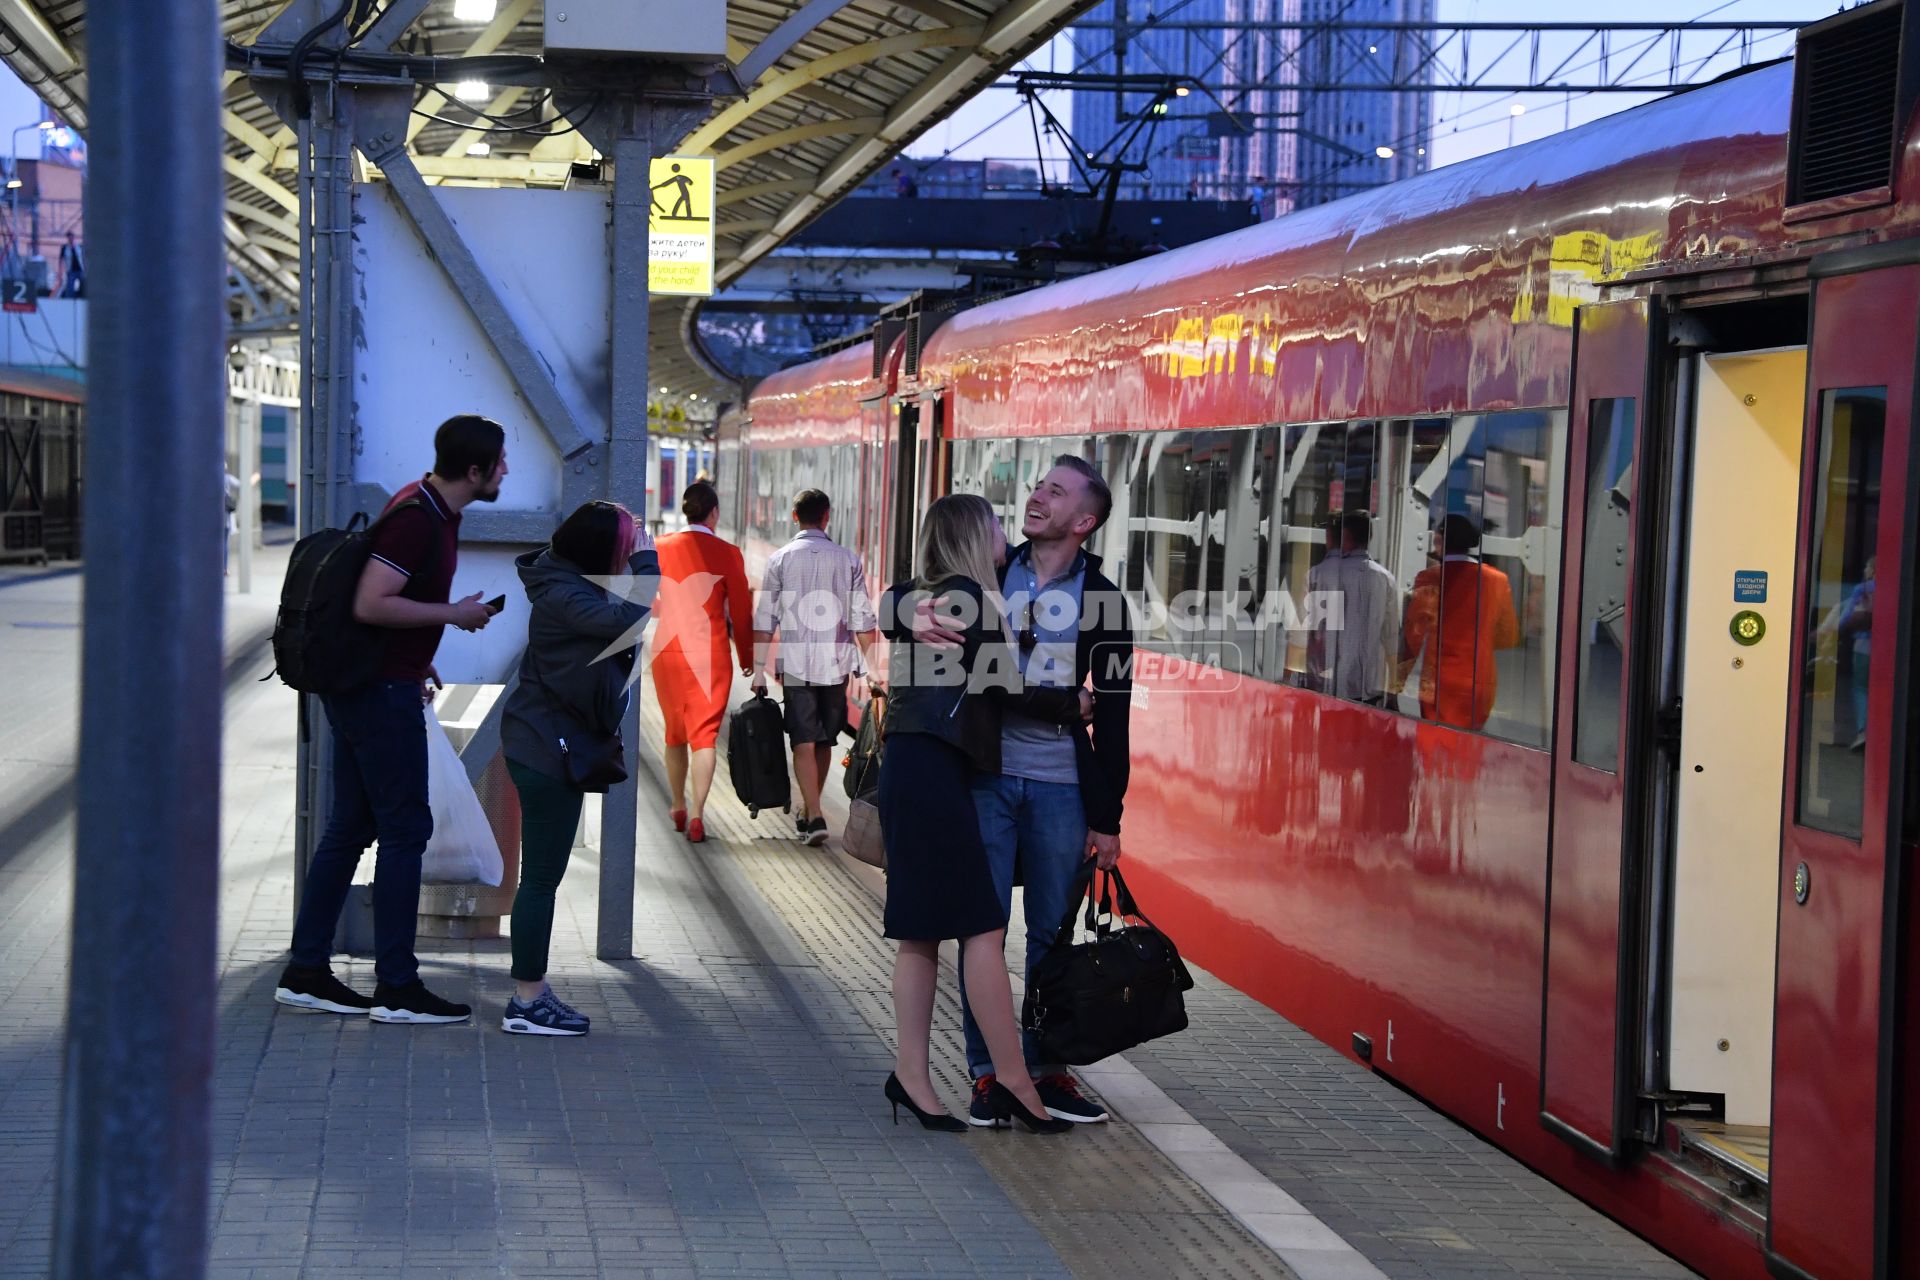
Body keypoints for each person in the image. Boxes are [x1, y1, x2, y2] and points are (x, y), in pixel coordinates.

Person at [912, 456, 1135, 1127]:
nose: (1037, 497)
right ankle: (987, 1074)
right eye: (1039, 486)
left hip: (1064, 788)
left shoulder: (1107, 600)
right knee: (982, 931)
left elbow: (1116, 709)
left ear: (1084, 521)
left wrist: (1109, 815)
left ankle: (1046, 1070)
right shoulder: (986, 573)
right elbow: (908, 594)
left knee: (1051, 938)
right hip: (982, 777)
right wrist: (907, 610)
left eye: (1056, 492)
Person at [275, 414, 508, 1024]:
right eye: (500, 462)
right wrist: (453, 614)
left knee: (350, 827)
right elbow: (370, 601)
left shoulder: (425, 505)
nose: (507, 471)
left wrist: (420, 656)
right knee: (406, 830)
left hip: (378, 681)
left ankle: (306, 972)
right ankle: (398, 987)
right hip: (379, 694)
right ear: (476, 470)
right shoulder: (416, 520)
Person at [878, 493, 1089, 1135]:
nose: (1005, 532)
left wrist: (895, 609)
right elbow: (1007, 686)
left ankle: (914, 1080)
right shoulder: (967, 597)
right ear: (976, 535)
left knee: (921, 934)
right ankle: (1016, 1085)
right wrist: (1074, 705)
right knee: (983, 931)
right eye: (995, 524)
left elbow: (893, 603)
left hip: (914, 771)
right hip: (934, 776)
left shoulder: (931, 593)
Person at [499, 501, 659, 1035]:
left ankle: (532, 992)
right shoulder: (566, 594)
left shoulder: (566, 583)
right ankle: (527, 1000)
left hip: (547, 742)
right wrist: (647, 562)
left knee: (540, 878)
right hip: (546, 749)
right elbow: (628, 620)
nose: (631, 550)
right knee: (540, 880)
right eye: (625, 544)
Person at [750, 488, 881, 845]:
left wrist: (758, 669)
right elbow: (863, 622)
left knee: (802, 741)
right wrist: (873, 672)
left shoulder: (779, 559)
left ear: (795, 517)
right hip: (836, 665)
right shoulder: (848, 560)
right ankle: (813, 810)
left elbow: (765, 620)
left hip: (795, 663)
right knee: (825, 740)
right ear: (826, 517)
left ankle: (814, 813)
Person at [651, 480, 754, 844]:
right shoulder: (729, 553)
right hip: (710, 654)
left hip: (667, 653)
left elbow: (649, 600)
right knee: (705, 737)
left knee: (674, 733)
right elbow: (741, 613)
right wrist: (746, 657)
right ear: (713, 513)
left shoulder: (659, 547)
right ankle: (697, 814)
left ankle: (676, 803)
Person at [1399, 513, 1520, 731]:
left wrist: (1400, 676)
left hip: (1438, 681)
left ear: (1439, 540)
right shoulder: (1497, 580)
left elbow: (1414, 634)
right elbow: (1508, 636)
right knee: (1469, 747)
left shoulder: (1430, 577)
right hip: (1479, 681)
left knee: (1435, 746)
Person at [1304, 510, 1401, 705]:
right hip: (1368, 686)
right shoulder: (1385, 578)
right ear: (1370, 537)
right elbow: (1391, 640)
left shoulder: (1319, 574)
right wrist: (1393, 690)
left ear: (1344, 536)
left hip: (1324, 683)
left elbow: (1306, 632)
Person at [223, 468, 240, 576]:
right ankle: (224, 568)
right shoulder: (227, 478)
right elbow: (242, 485)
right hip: (225, 518)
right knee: (224, 544)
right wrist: (255, 478)